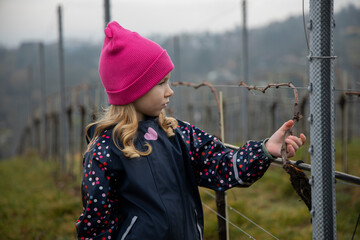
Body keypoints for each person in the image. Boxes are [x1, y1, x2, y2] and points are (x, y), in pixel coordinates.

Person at [76, 21, 306, 240]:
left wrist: (265, 150)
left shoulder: (177, 133)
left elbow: (222, 166)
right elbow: (97, 225)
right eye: (160, 83)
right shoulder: (104, 152)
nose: (170, 91)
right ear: (133, 90)